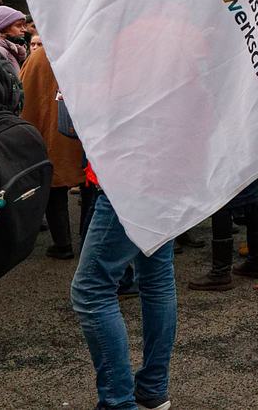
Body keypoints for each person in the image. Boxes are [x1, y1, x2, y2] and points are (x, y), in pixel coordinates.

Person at [70, 163, 176, 410]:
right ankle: (152, 387)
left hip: (127, 179)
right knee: (157, 279)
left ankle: (118, 403)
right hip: (165, 178)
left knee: (90, 290)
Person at [19, 46, 85, 259]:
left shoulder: (38, 58)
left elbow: (25, 98)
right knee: (90, 187)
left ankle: (63, 243)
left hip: (50, 133)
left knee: (54, 187)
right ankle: (88, 242)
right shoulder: (83, 51)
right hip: (82, 135)